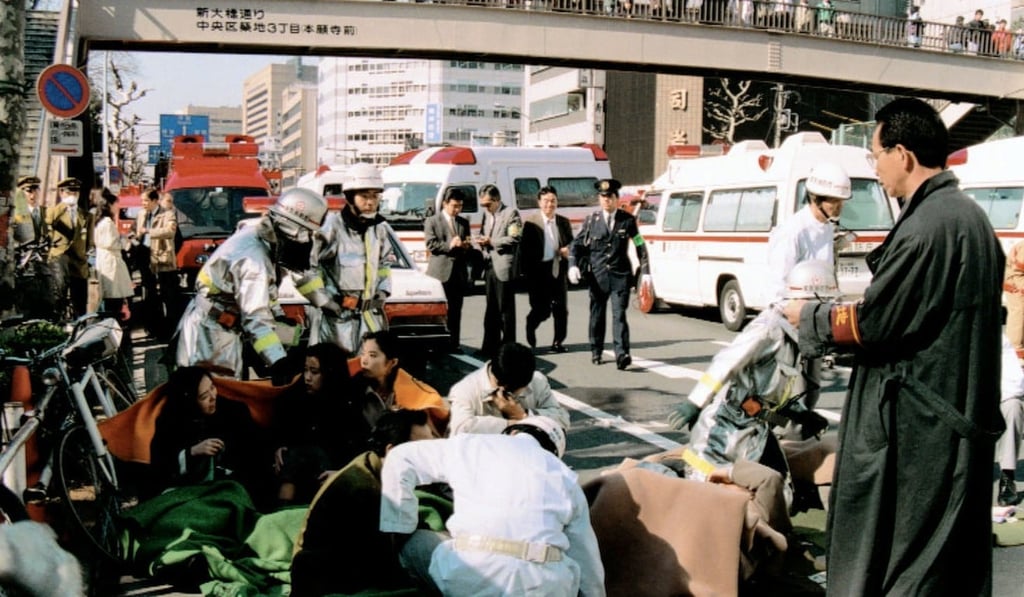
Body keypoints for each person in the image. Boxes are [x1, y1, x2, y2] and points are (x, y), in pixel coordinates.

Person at [783, 98, 1004, 595]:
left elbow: (875, 324)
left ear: (902, 155)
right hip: (954, 415)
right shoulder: (967, 217)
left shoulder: (929, 226)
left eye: (875, 154)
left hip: (918, 425)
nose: (874, 167)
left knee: (903, 560)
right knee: (946, 560)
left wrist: (809, 316)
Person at [379, 416, 606, 597]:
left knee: (415, 542)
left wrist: (399, 527)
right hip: (545, 585)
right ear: (554, 453)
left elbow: (400, 457)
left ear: (514, 431)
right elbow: (587, 563)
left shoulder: (472, 444)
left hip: (472, 576)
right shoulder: (566, 477)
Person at [668, 260, 834, 504]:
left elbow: (777, 389)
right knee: (710, 495)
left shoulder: (799, 339)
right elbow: (726, 362)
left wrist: (802, 415)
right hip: (724, 429)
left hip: (757, 429)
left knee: (778, 495)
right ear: (804, 302)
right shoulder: (768, 329)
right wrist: (694, 402)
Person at [175, 187, 333, 382]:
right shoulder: (253, 260)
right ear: (292, 230)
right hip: (210, 336)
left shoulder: (265, 239)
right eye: (309, 234)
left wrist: (279, 316)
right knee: (216, 396)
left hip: (218, 328)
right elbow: (256, 318)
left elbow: (272, 287)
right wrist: (277, 362)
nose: (310, 242)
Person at [290, 409, 441, 597]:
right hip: (331, 582)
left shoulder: (382, 470)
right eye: (422, 453)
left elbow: (412, 526)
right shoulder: (362, 488)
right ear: (392, 451)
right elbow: (378, 562)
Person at [149, 366, 268, 498]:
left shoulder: (235, 411)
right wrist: (192, 452)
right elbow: (159, 467)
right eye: (204, 396)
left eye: (212, 387)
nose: (213, 397)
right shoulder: (170, 422)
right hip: (190, 493)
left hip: (233, 487)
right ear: (189, 401)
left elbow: (256, 451)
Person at [312, 162, 394, 354]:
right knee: (337, 375)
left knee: (368, 376)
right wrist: (327, 301)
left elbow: (384, 264)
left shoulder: (379, 228)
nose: (370, 202)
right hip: (337, 321)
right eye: (364, 196)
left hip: (369, 319)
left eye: (375, 196)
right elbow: (310, 267)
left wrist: (382, 291)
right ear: (349, 197)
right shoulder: (332, 227)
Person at [568, 178, 649, 370]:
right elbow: (576, 245)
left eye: (610, 197)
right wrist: (573, 265)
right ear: (599, 199)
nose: (607, 201)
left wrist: (645, 271)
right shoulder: (591, 220)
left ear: (616, 198)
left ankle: (622, 354)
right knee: (597, 315)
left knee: (619, 315)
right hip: (597, 276)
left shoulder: (627, 220)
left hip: (620, 276)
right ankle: (596, 349)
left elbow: (639, 244)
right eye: (603, 197)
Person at [271, 343, 364, 506]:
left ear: (329, 373)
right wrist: (279, 446)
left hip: (334, 479)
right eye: (305, 370)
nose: (307, 377)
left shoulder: (348, 405)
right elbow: (281, 429)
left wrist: (340, 473)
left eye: (314, 372)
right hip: (298, 474)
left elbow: (356, 450)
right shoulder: (294, 399)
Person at [448, 342, 569, 435]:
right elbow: (459, 428)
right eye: (514, 393)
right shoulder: (466, 390)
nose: (515, 398)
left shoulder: (536, 381)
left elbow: (563, 419)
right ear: (500, 385)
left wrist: (524, 415)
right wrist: (513, 424)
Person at [357, 330, 450, 437]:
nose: (364, 360)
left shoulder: (414, 393)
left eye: (372, 355)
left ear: (392, 362)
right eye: (363, 354)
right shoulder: (355, 390)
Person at [519, 186, 573, 353]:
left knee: (561, 309)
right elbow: (524, 251)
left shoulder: (563, 222)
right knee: (542, 309)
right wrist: (526, 274)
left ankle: (558, 341)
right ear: (539, 203)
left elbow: (571, 244)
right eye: (546, 201)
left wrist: (567, 251)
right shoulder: (531, 222)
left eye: (553, 201)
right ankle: (531, 324)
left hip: (558, 268)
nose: (550, 204)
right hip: (539, 271)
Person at [476, 184, 521, 359]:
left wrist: (492, 242)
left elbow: (514, 237)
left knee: (506, 310)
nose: (486, 208)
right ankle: (489, 346)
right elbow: (483, 232)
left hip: (503, 265)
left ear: (497, 200)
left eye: (488, 204)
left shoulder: (510, 214)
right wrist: (481, 241)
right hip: (489, 265)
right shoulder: (486, 215)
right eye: (483, 205)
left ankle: (509, 348)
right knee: (491, 309)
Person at [424, 187, 472, 353]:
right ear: (445, 204)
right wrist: (450, 245)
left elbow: (467, 244)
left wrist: (466, 245)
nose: (457, 209)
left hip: (457, 273)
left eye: (460, 206)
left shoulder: (463, 222)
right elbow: (431, 245)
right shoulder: (432, 221)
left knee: (456, 310)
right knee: (438, 311)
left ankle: (454, 343)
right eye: (454, 206)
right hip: (440, 273)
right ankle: (436, 343)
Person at [48, 177, 92, 318]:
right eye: (69, 192)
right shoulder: (53, 212)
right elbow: (47, 232)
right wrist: (62, 206)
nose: (73, 195)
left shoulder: (86, 215)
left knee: (80, 299)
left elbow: (90, 240)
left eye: (76, 192)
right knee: (59, 295)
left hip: (79, 260)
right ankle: (58, 325)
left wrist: (86, 254)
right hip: (59, 258)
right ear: (62, 193)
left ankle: (80, 327)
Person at [92, 195, 134, 317]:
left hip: (104, 262)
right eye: (116, 204)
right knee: (114, 299)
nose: (118, 207)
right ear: (109, 205)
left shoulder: (99, 221)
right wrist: (125, 241)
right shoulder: (107, 222)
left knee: (109, 299)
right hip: (111, 264)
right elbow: (111, 243)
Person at [149, 192, 181, 338]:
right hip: (153, 262)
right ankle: (157, 329)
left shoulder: (169, 216)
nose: (171, 204)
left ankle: (170, 330)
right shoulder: (149, 214)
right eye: (168, 201)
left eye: (172, 201)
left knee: (170, 298)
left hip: (165, 263)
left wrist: (169, 253)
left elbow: (174, 237)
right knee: (154, 297)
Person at [997, 334, 1024, 507]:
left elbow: (1016, 385)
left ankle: (1007, 478)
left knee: (1013, 406)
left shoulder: (999, 339)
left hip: (994, 395)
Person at [135, 189, 162, 331]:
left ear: (154, 201)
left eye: (146, 201)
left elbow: (173, 236)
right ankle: (150, 325)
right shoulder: (141, 214)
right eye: (142, 201)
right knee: (148, 291)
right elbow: (137, 232)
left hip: (159, 257)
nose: (143, 204)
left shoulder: (165, 214)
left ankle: (159, 326)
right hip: (144, 254)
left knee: (159, 293)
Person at [12, 175, 47, 246]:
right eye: (29, 191)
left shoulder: (48, 212)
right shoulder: (15, 215)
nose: (33, 195)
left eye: (36, 190)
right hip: (25, 254)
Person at [1004, 242, 1024, 362]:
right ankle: (1015, 352)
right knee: (1019, 314)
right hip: (1015, 285)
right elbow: (1018, 272)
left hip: (1017, 282)